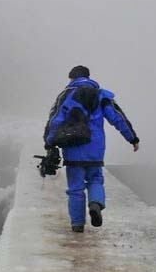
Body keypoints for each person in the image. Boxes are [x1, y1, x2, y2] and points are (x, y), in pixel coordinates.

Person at [44, 66, 139, 232]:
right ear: (88, 77)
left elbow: (56, 120)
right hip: (95, 149)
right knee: (95, 179)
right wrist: (132, 138)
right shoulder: (101, 95)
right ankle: (95, 203)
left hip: (73, 147)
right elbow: (117, 118)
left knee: (75, 189)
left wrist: (49, 142)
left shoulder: (67, 95)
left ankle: (78, 225)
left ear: (72, 78)